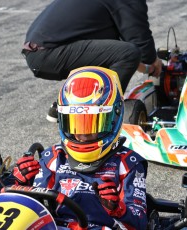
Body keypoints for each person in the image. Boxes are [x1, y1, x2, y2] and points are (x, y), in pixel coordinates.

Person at [12, 66, 148, 229]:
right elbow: (35, 209)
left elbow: (140, 222)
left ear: (114, 117)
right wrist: (21, 184)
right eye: (76, 124)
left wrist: (117, 209)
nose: (83, 135)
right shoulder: (53, 157)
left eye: (93, 124)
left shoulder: (128, 164)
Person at [21, 0, 163, 122]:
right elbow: (140, 41)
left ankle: (66, 105)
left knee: (115, 54)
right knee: (129, 53)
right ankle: (103, 115)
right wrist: (153, 61)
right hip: (49, 53)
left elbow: (113, 46)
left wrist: (139, 62)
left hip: (38, 50)